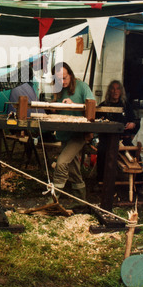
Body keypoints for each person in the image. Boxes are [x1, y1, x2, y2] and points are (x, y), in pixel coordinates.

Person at [51, 62, 95, 206]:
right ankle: (81, 202)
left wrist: (74, 105)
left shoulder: (82, 87)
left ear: (70, 74)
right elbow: (58, 108)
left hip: (79, 134)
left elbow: (92, 107)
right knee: (74, 169)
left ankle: (53, 199)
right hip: (65, 133)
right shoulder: (57, 89)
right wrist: (53, 108)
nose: (62, 82)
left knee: (62, 163)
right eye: (58, 80)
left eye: (64, 78)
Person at [96, 80, 136, 183]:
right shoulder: (103, 106)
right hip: (107, 140)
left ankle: (138, 185)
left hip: (123, 140)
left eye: (118, 88)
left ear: (121, 91)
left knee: (134, 154)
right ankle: (101, 182)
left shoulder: (126, 106)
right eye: (112, 88)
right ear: (109, 91)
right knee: (102, 153)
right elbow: (95, 123)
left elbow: (134, 122)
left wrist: (132, 124)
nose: (115, 91)